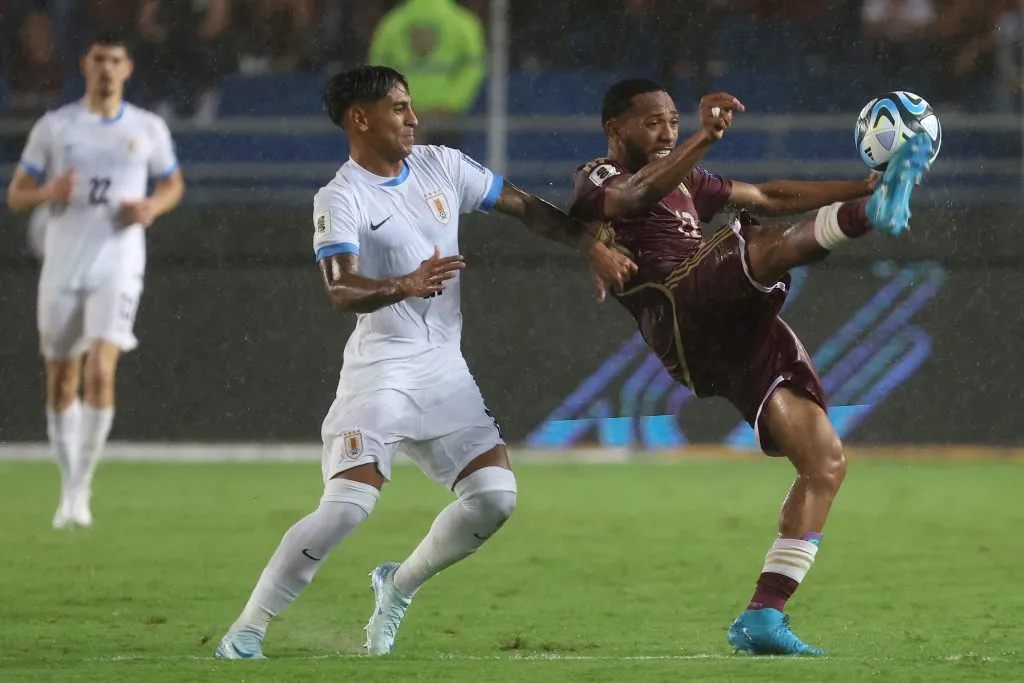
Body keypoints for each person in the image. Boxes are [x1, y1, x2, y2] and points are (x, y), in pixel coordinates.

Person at [214, 64, 635, 660]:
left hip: (444, 370)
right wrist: (403, 283)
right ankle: (248, 629)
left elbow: (526, 207)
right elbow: (341, 291)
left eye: (411, 106)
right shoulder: (340, 197)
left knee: (495, 498)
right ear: (360, 118)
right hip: (381, 370)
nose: (414, 117)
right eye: (399, 108)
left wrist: (590, 246)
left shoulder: (443, 164)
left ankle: (397, 586)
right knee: (345, 508)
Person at [569, 79, 932, 655]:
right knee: (757, 243)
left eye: (671, 121)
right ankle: (867, 217)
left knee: (824, 462)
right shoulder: (597, 178)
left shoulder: (685, 175)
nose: (666, 133)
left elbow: (770, 194)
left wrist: (862, 181)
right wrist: (704, 137)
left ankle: (763, 617)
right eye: (652, 123)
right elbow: (634, 197)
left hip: (734, 331)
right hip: (679, 305)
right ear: (615, 131)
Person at [5, 30, 185, 530]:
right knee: (61, 379)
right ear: (86, 65)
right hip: (64, 261)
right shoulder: (56, 126)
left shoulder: (147, 128)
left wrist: (151, 205)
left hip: (119, 261)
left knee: (101, 370)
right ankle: (68, 487)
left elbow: (172, 183)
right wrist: (48, 191)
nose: (107, 68)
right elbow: (16, 193)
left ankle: (81, 488)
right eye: (100, 58)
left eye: (117, 60)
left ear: (128, 69)